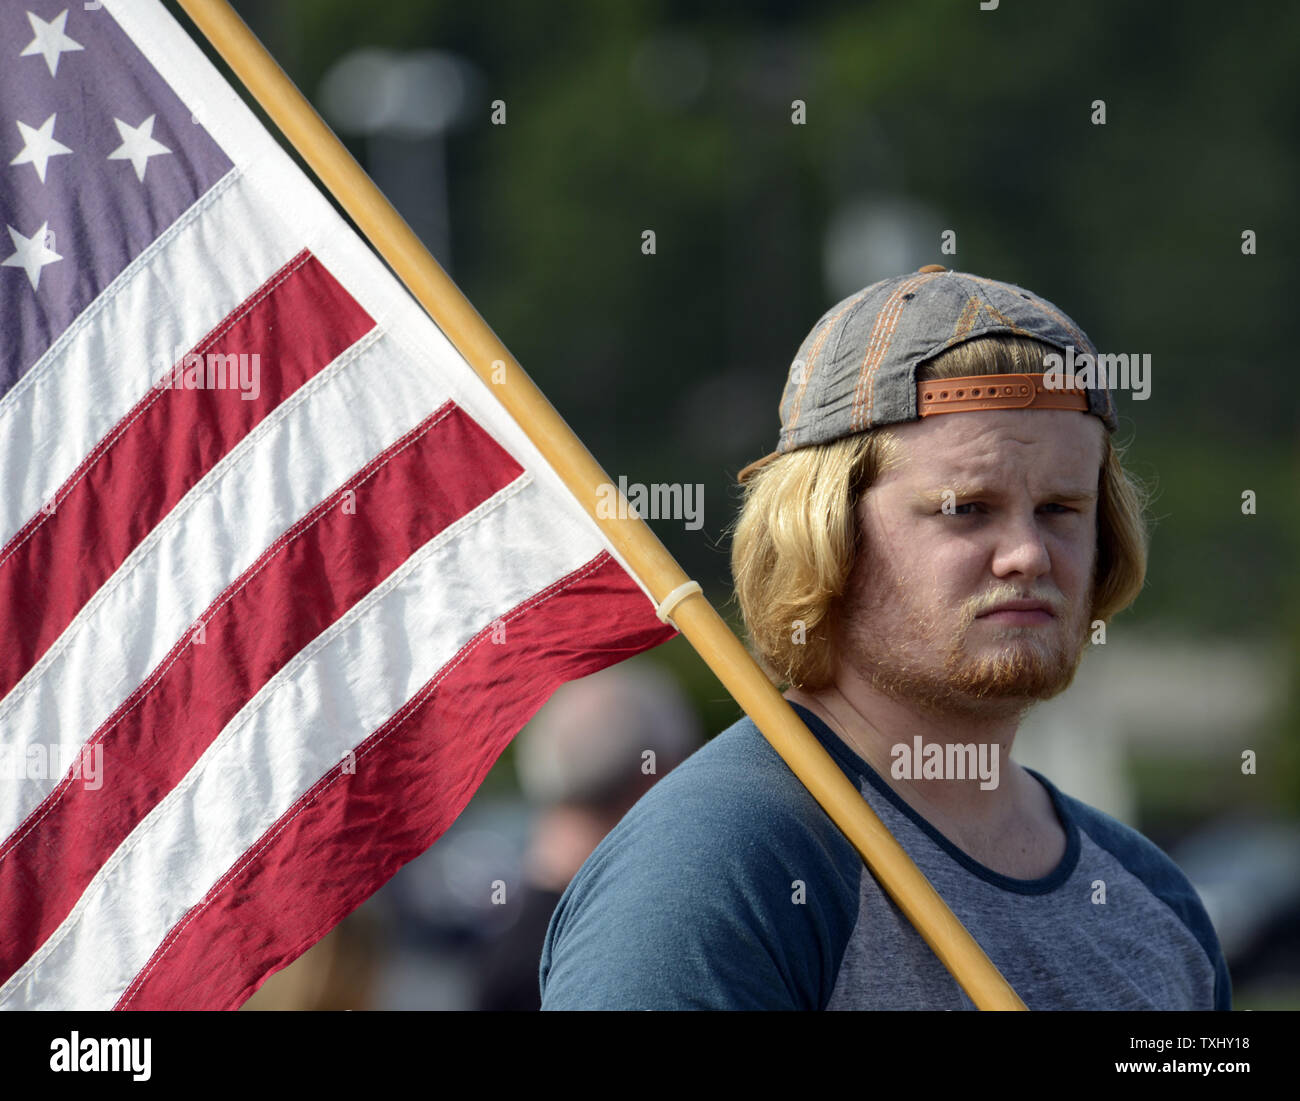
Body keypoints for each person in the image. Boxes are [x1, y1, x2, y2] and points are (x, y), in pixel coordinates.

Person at [538, 266, 1231, 1010]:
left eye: (1062, 507)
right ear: (824, 533)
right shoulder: (713, 872)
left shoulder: (1156, 904)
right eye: (967, 507)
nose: (1028, 552)